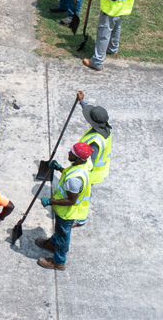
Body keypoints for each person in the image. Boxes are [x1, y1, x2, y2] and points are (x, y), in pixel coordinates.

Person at [34, 142, 93, 270]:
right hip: (65, 210)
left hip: (67, 212)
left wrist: (50, 201)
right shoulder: (85, 163)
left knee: (63, 237)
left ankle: (59, 262)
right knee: (60, 231)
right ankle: (53, 244)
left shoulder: (74, 179)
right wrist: (60, 168)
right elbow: (69, 172)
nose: (69, 153)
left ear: (78, 158)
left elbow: (71, 200)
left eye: (72, 153)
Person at [73, 90, 112, 227]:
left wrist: (77, 171)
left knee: (83, 196)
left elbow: (89, 161)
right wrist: (82, 102)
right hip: (96, 171)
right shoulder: (105, 126)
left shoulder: (95, 141)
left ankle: (80, 219)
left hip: (90, 173)